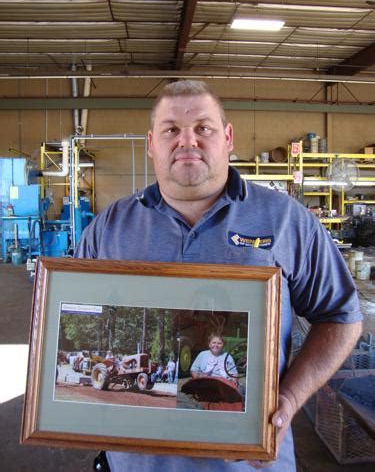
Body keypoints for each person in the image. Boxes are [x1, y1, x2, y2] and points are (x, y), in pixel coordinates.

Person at [75, 80, 362, 471]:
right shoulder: (109, 227)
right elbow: (72, 314)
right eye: (171, 129)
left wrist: (290, 400)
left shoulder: (286, 220)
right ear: (150, 143)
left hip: (247, 460)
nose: (187, 141)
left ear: (227, 137)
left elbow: (341, 317)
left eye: (203, 128)